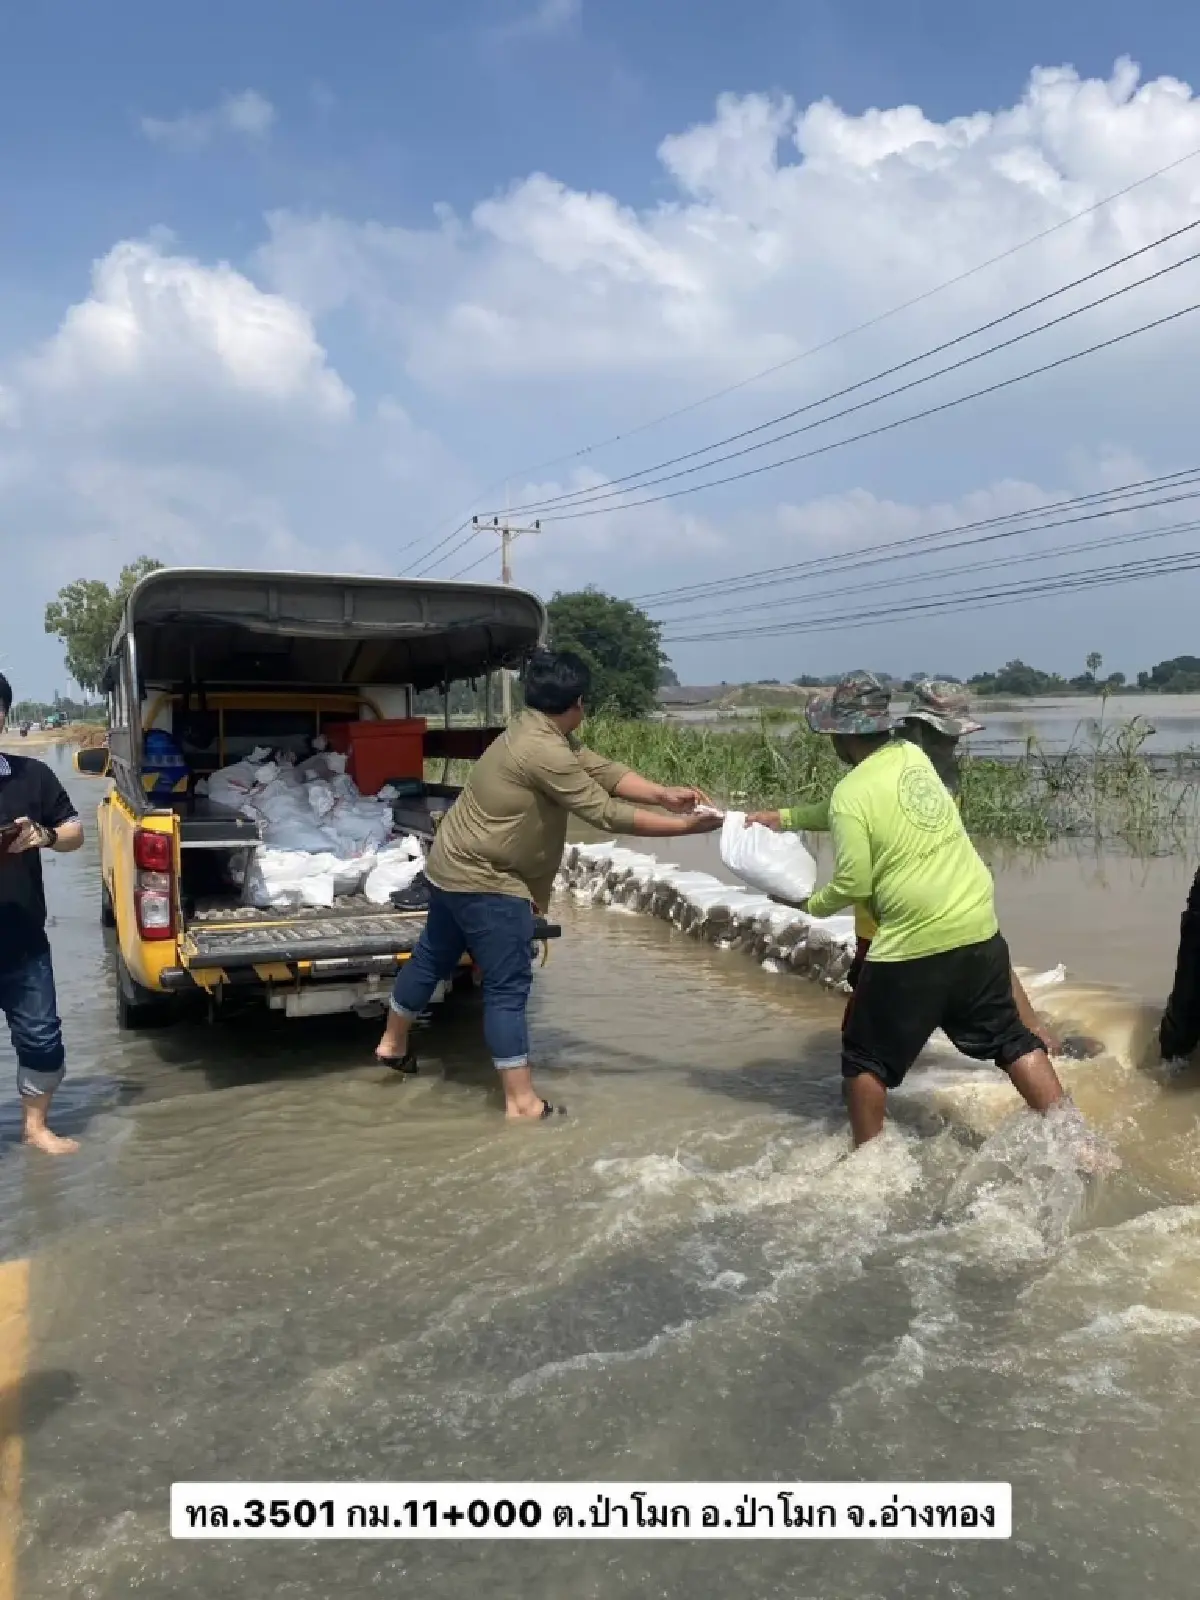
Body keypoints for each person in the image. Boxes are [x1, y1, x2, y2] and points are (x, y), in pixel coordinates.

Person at [375, 649, 722, 1120]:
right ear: (578, 703)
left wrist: (663, 794)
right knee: (507, 988)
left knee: (433, 956)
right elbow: (604, 812)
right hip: (490, 881)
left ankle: (392, 1045)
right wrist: (687, 829)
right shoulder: (545, 750)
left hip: (450, 866)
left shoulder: (530, 727)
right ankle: (522, 1104)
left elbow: (601, 770)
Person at [750, 670, 1066, 1147]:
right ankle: (1078, 1141)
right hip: (975, 925)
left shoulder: (851, 792)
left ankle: (867, 1161)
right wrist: (787, 817)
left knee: (864, 1061)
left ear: (839, 734)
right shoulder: (913, 758)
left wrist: (807, 904)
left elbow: (854, 879)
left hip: (913, 944)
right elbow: (849, 809)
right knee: (1012, 1040)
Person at [0, 673, 85, 1154]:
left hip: (22, 940)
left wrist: (45, 837)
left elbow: (74, 830)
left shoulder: (32, 776)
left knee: (42, 1039)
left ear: (3, 716)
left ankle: (35, 1128)